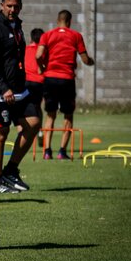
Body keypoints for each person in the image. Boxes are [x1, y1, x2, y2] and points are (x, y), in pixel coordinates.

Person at [0, 0, 41, 194]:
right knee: (0, 134)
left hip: (19, 90)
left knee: (33, 123)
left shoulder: (16, 26)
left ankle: (11, 170)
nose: (12, 9)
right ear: (1, 6)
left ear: (21, 6)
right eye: (9, 6)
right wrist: (3, 88)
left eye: (16, 6)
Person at [36, 10, 95, 159]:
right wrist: (91, 61)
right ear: (69, 21)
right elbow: (85, 59)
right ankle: (62, 152)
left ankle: (47, 152)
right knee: (68, 116)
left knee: (50, 115)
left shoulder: (47, 35)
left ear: (58, 20)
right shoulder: (76, 36)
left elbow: (38, 55)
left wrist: (42, 67)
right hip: (66, 80)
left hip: (50, 79)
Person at [24, 28, 45, 146]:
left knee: (24, 109)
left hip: (25, 82)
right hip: (39, 82)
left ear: (31, 38)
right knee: (37, 107)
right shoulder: (43, 51)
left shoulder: (24, 50)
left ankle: (24, 133)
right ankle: (40, 131)